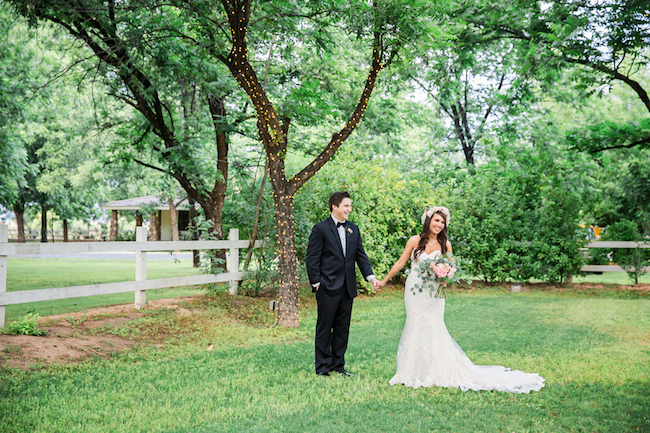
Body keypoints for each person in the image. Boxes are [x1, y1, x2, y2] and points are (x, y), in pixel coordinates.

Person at [376, 206, 545, 393]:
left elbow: (450, 266)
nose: (439, 224)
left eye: (443, 222)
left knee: (434, 325)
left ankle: (437, 370)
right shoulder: (414, 240)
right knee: (415, 323)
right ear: (428, 220)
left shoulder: (445, 244)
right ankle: (411, 371)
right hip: (415, 290)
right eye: (436, 220)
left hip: (434, 292)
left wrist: (446, 277)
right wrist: (383, 281)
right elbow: (401, 262)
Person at [306, 191, 380, 377]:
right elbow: (312, 258)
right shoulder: (320, 229)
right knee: (324, 328)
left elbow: (360, 256)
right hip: (326, 287)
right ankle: (322, 367)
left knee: (342, 329)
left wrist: (370, 277)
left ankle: (338, 365)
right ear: (335, 206)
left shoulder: (353, 229)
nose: (349, 209)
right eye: (346, 205)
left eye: (350, 205)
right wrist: (316, 283)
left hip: (347, 288)